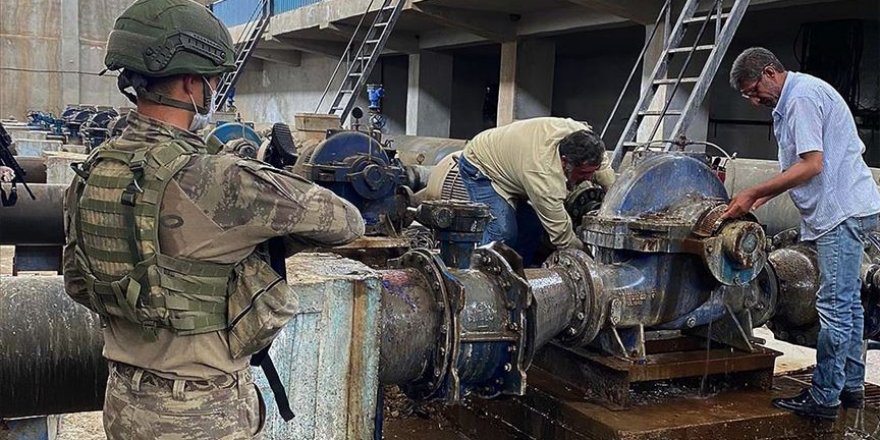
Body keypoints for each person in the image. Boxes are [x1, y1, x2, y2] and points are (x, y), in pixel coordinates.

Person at [62, 1, 365, 438]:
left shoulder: (93, 172)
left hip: (124, 401)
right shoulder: (220, 179)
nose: (215, 86)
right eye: (214, 78)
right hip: (199, 413)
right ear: (191, 82)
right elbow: (347, 223)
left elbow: (78, 283)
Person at [722, 47, 880, 420]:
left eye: (753, 90)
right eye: (747, 96)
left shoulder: (800, 99)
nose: (754, 100)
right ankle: (850, 386)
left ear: (770, 72)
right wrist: (760, 198)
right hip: (851, 206)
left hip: (840, 213)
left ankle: (824, 399)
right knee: (849, 304)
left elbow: (811, 165)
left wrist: (754, 191)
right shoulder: (799, 94)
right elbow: (801, 167)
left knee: (834, 307)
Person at [458, 117, 614, 257]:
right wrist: (587, 258)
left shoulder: (583, 136)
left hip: (515, 161)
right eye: (583, 173)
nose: (589, 178)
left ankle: (522, 272)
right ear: (564, 162)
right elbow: (562, 237)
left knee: (532, 227)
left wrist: (613, 195)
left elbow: (604, 168)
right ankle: (480, 274)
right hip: (482, 166)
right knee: (502, 233)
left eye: (593, 171)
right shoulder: (544, 177)